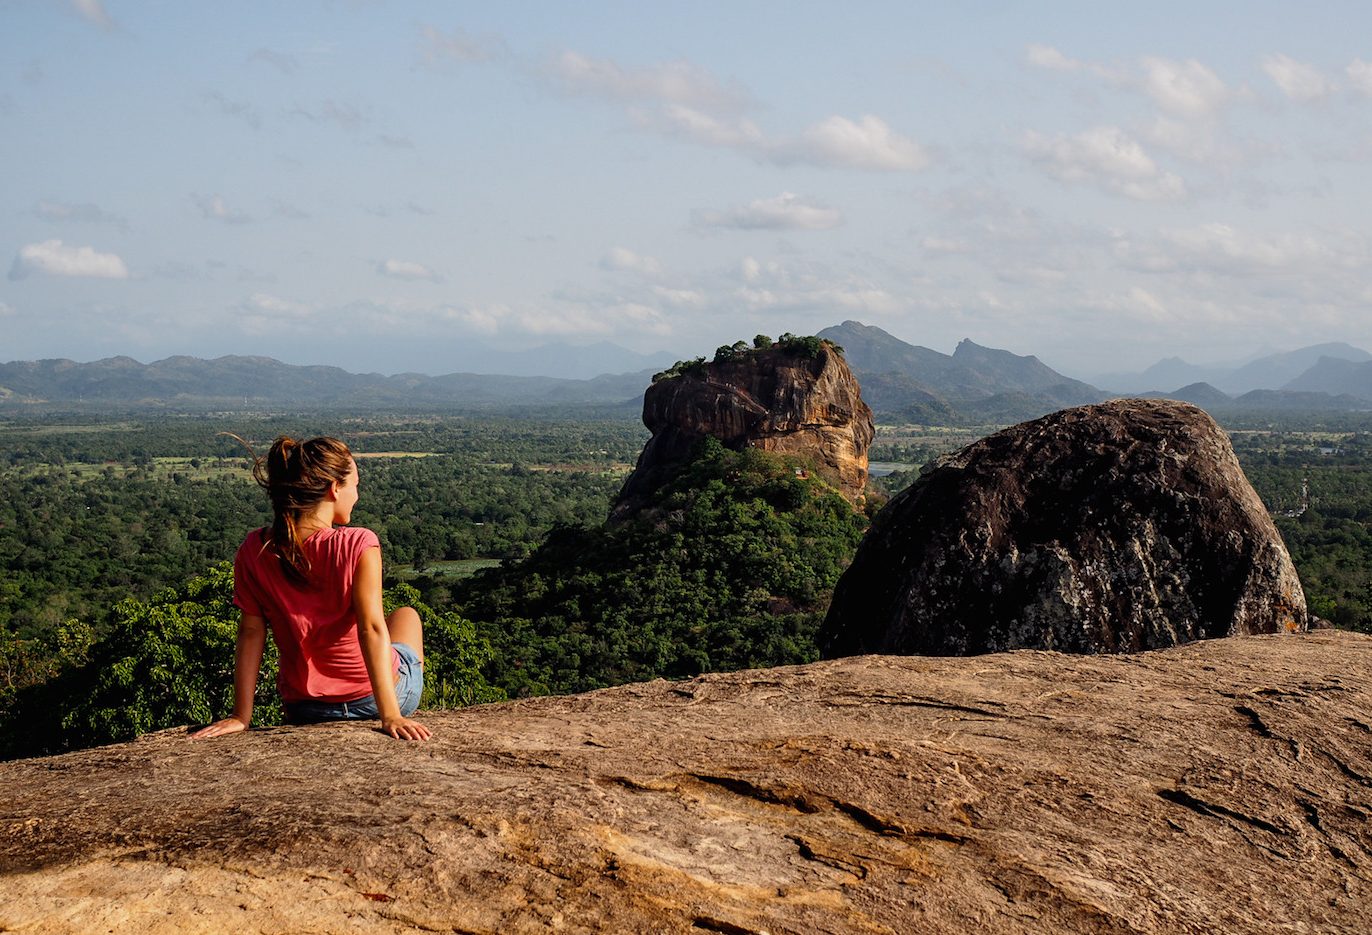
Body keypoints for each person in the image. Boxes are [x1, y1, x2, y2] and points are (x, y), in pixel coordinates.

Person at [192, 435, 431, 742]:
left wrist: (242, 716)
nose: (357, 495)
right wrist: (391, 715)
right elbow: (370, 629)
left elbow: (251, 633)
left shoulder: (255, 550)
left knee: (397, 618)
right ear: (334, 488)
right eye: (355, 485)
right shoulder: (359, 544)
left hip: (304, 708)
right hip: (371, 701)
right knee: (407, 616)